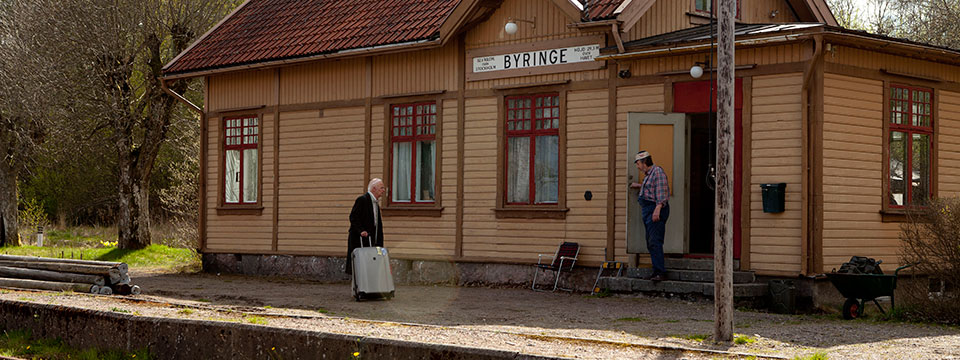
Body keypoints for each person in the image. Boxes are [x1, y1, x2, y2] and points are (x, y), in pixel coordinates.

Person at [630, 151, 670, 282]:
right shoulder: (649, 175)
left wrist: (658, 208)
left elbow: (662, 191)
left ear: (644, 162)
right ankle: (656, 271)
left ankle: (660, 272)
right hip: (649, 210)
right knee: (650, 242)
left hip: (654, 209)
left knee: (655, 241)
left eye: (638, 163)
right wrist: (640, 186)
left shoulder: (657, 172)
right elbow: (652, 187)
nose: (637, 166)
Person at [346, 178, 386, 275]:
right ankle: (360, 287)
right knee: (360, 266)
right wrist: (361, 230)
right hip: (361, 239)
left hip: (372, 239)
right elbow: (353, 217)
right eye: (381, 188)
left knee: (370, 265)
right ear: (373, 189)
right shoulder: (362, 200)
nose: (384, 190)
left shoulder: (375, 203)